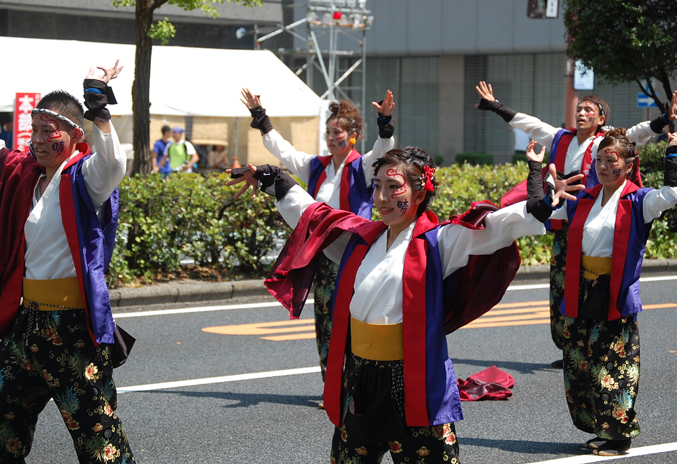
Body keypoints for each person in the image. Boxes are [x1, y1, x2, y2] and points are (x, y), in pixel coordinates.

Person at [227, 145, 583, 463]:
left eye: (393, 187)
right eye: (377, 185)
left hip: (412, 377)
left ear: (419, 191)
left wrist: (539, 200)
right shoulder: (361, 239)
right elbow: (316, 216)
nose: (381, 196)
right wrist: (272, 178)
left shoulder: (440, 241)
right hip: (360, 376)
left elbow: (494, 227)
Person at [0, 62, 135, 463]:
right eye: (36, 130)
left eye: (51, 131)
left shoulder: (83, 178)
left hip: (73, 330)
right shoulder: (22, 175)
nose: (40, 140)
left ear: (75, 136)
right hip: (26, 324)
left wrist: (100, 111)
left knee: (100, 444)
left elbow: (114, 164)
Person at [476, 81, 677, 368]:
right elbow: (529, 124)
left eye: (589, 109)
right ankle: (570, 345)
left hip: (602, 221)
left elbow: (639, 134)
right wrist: (496, 106)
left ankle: (603, 347)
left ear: (601, 118)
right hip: (569, 222)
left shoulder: (608, 140)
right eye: (579, 108)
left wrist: (666, 120)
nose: (581, 113)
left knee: (604, 283)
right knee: (562, 286)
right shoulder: (560, 137)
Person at [527, 129, 677, 456]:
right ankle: (600, 427)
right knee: (578, 364)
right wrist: (535, 171)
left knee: (611, 368)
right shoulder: (585, 196)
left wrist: (673, 155)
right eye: (599, 160)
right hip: (580, 292)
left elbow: (671, 194)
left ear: (628, 163)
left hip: (614, 294)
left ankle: (619, 435)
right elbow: (540, 209)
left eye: (611, 161)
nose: (603, 167)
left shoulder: (639, 200)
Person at [241, 88, 396, 397]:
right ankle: (333, 387)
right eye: (327, 132)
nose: (330, 138)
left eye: (336, 132)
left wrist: (385, 122)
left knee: (351, 318)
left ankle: (355, 384)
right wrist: (261, 116)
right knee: (324, 322)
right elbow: (283, 151)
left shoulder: (363, 167)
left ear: (352, 136)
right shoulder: (316, 166)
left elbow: (383, 150)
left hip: (354, 254)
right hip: (322, 254)